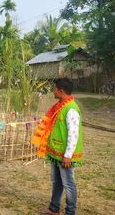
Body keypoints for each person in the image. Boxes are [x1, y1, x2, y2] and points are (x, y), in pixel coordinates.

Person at [33, 78, 83, 215]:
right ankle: (54, 208)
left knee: (68, 183)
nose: (53, 91)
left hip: (65, 155)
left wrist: (68, 155)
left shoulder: (71, 109)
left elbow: (73, 134)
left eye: (54, 88)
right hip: (56, 152)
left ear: (61, 91)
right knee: (57, 181)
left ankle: (70, 211)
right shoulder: (59, 106)